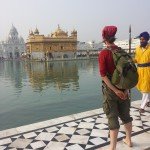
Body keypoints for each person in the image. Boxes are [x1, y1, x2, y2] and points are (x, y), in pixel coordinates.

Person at [98, 26, 133, 150]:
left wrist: (115, 91)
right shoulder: (121, 51)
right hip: (124, 90)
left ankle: (112, 147)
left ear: (104, 38)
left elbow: (103, 76)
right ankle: (128, 140)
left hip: (111, 92)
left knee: (113, 119)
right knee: (126, 116)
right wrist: (124, 90)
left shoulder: (104, 53)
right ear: (114, 37)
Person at [134, 31, 150, 113]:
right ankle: (147, 101)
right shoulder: (137, 48)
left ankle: (142, 107)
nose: (141, 41)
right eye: (140, 39)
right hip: (139, 70)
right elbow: (136, 59)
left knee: (145, 88)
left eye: (143, 39)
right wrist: (131, 60)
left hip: (148, 70)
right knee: (140, 86)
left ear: (147, 40)